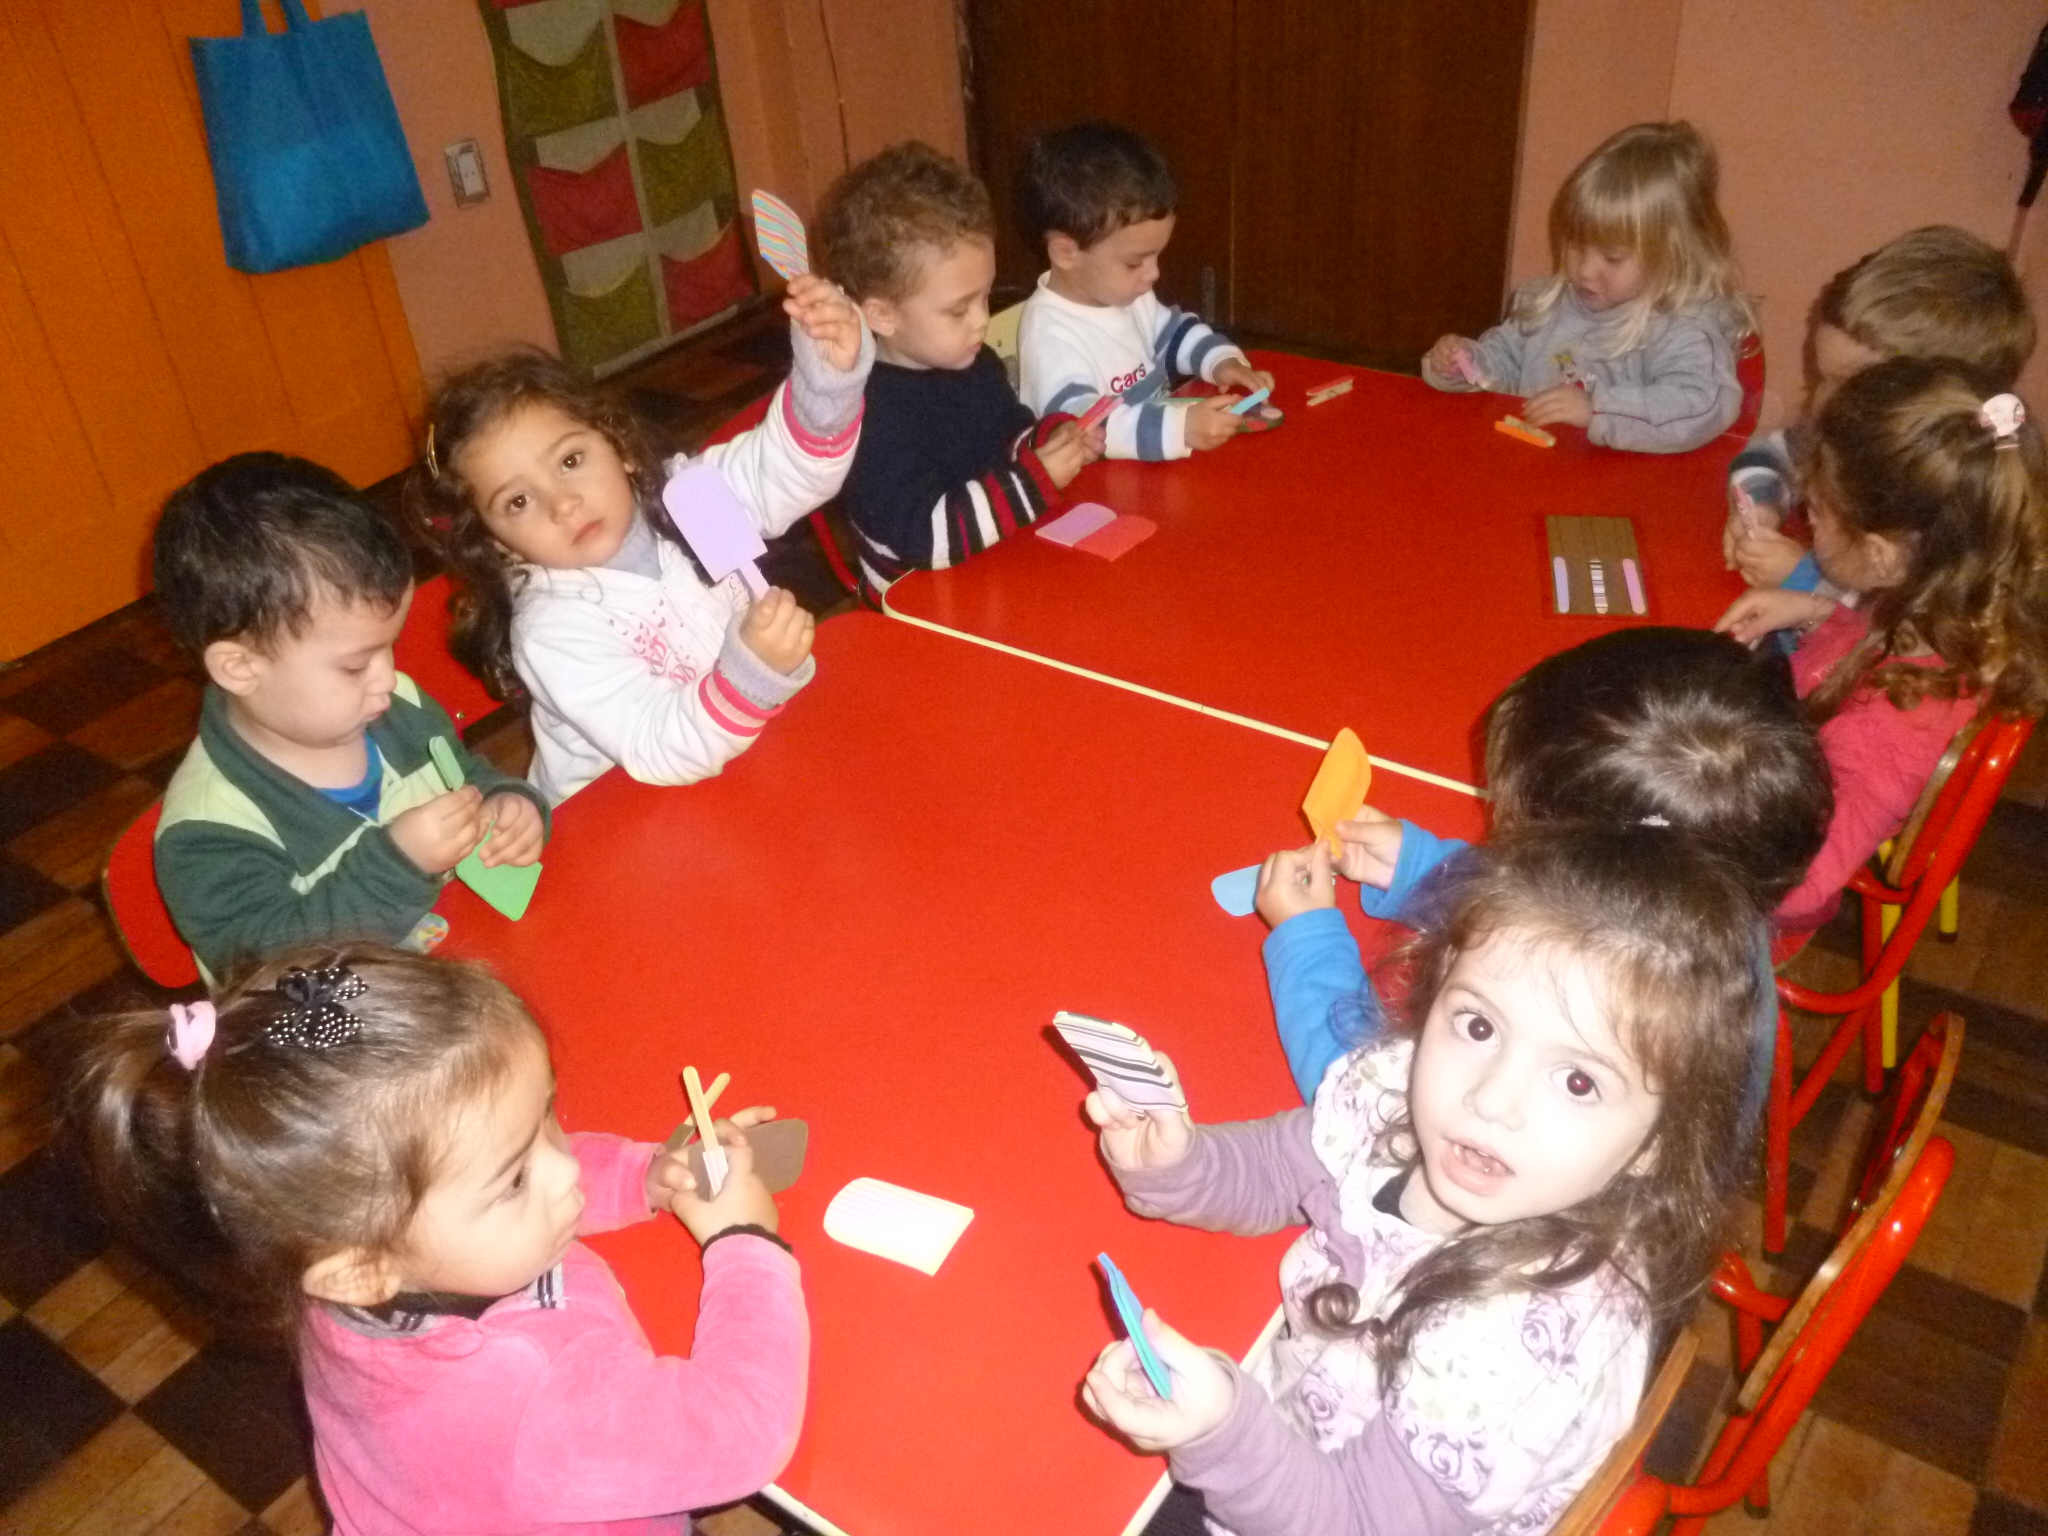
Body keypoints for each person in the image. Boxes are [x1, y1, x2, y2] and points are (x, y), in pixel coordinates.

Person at [1081, 827, 1765, 1536]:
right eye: (1479, 1027)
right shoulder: (1399, 1088)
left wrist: (1221, 1430)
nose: (1490, 1099)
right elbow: (1281, 1166)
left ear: (1656, 1145)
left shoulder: (1516, 1353)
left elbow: (1353, 1525)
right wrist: (1178, 1163)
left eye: (1578, 1081)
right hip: (1289, 1443)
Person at [61, 945, 806, 1535]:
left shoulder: (342, 1257)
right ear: (360, 1269)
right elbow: (741, 1435)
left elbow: (490, 1172)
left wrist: (646, 1177)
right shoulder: (528, 1398)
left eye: (546, 1119)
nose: (565, 1170)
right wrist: (745, 1241)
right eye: (514, 1179)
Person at [1255, 628, 1827, 1102]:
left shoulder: (1575, 1012)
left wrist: (1307, 941)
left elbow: (1365, 1112)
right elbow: (1563, 902)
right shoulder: (1704, 899)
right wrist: (1417, 868)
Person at [410, 275, 870, 803]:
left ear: (620, 446)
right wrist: (751, 672)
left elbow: (783, 472)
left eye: (570, 461)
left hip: (740, 759)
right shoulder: (554, 629)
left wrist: (828, 380)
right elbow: (657, 747)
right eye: (518, 501)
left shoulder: (688, 503)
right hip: (625, 816)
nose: (563, 503)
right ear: (499, 544)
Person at [152, 453, 548, 982]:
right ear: (241, 668)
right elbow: (271, 971)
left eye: (389, 647)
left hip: (465, 973)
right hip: (346, 1023)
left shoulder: (394, 705)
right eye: (356, 664)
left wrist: (508, 804)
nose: (388, 677)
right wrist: (399, 864)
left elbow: (465, 776)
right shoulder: (209, 832)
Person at [1718, 357, 2048, 937]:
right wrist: (1818, 611)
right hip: (1784, 757)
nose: (1807, 523)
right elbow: (1878, 640)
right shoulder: (1943, 605)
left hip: (1742, 908)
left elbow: (1799, 886)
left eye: (1814, 512)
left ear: (1880, 554)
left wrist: (1679, 829)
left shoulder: (1889, 723)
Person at [815, 141, 1104, 602]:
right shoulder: (865, 416)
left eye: (984, 296)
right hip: (923, 601)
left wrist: (1048, 439)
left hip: (996, 561)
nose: (981, 321)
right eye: (957, 310)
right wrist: (1036, 479)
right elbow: (929, 540)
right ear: (882, 315)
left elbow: (1007, 435)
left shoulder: (972, 360)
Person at [1724, 226, 2035, 606]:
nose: (1820, 403)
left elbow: (1914, 621)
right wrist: (1762, 505)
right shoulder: (1850, 439)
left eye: (1845, 385)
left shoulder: (1961, 504)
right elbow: (1769, 453)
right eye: (1821, 378)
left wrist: (1806, 580)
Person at [1423, 121, 1753, 454]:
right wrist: (1469, 365)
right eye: (1577, 246)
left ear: (1671, 256)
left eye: (1612, 258)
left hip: (1622, 482)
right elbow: (1506, 362)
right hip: (1534, 468)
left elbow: (1702, 403)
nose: (1584, 270)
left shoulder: (1683, 329)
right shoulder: (1549, 304)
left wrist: (1597, 409)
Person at [1016, 121, 1275, 460]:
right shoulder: (1050, 336)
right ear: (1066, 253)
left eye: (1156, 256)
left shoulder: (1122, 294)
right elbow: (1085, 429)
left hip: (1149, 468)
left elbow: (1174, 333)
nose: (1154, 273)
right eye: (1134, 262)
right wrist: (1179, 428)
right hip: (1095, 483)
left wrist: (1221, 361)